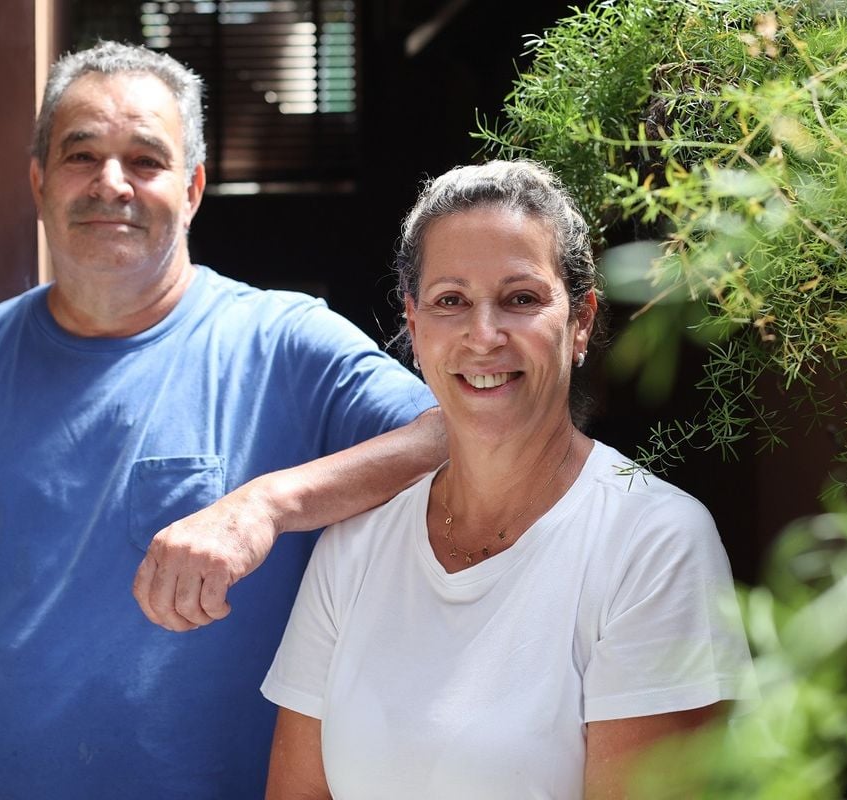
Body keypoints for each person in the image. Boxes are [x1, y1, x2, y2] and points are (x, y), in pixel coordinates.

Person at [0, 42, 445, 799]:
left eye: (146, 160)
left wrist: (262, 505)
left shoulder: (284, 341)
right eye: (81, 153)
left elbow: (451, 437)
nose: (110, 183)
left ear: (192, 188)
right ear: (37, 182)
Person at [261, 160, 753, 799]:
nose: (483, 334)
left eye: (521, 299)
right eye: (450, 302)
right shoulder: (353, 549)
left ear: (579, 322)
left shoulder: (654, 540)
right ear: (413, 329)